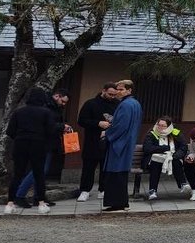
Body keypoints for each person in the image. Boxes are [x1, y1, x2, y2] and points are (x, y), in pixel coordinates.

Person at [4, 88, 60, 215]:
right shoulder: (46, 113)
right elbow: (51, 130)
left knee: (18, 174)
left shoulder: (19, 112)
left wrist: (20, 136)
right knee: (38, 173)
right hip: (38, 144)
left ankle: (10, 204)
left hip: (20, 143)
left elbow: (10, 131)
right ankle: (41, 203)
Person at [15, 89, 72, 207]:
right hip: (43, 143)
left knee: (40, 171)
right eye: (63, 101)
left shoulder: (50, 108)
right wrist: (62, 127)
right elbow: (47, 126)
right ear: (57, 96)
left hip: (44, 142)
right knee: (38, 171)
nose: (64, 104)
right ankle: (20, 195)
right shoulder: (47, 110)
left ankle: (38, 197)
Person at [102, 79, 142, 212]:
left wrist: (107, 133)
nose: (118, 92)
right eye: (117, 89)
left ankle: (117, 203)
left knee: (116, 173)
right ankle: (121, 202)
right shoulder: (135, 103)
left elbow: (120, 126)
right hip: (128, 142)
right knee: (120, 174)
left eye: (121, 89)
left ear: (129, 90)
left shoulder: (125, 105)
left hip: (120, 143)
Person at [77, 82, 118, 201]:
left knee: (106, 167)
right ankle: (85, 190)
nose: (112, 96)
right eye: (110, 94)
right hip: (92, 141)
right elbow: (81, 121)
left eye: (114, 94)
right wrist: (97, 123)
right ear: (103, 91)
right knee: (88, 167)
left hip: (110, 141)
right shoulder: (91, 104)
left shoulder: (117, 104)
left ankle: (103, 189)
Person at [142, 116, 187, 201]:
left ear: (169, 126)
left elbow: (183, 147)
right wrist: (164, 148)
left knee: (175, 160)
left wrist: (177, 155)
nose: (160, 127)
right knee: (155, 163)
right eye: (159, 125)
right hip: (154, 158)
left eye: (163, 126)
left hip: (171, 156)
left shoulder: (175, 133)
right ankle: (152, 190)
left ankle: (183, 184)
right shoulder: (151, 133)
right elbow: (147, 148)